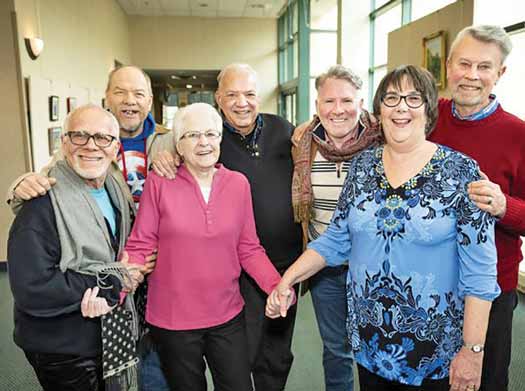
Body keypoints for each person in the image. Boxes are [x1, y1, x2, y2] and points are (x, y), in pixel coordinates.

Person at [267, 65, 500, 391]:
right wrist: (288, 279)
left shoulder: (461, 172)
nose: (401, 107)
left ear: (429, 109)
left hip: (433, 351)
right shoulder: (363, 166)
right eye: (392, 98)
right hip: (371, 343)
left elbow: (480, 274)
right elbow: (336, 237)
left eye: (413, 98)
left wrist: (473, 351)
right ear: (378, 111)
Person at [6, 65, 173, 390]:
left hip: (122, 310)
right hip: (64, 340)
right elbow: (32, 286)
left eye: (102, 139)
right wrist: (116, 277)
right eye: (79, 136)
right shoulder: (47, 197)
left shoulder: (119, 180)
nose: (90, 145)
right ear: (65, 142)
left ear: (114, 149)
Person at [153, 63, 303, 390]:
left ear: (259, 96)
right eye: (232, 95)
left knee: (277, 354)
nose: (242, 102)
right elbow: (174, 143)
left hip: (284, 264)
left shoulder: (284, 130)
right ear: (218, 99)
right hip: (236, 267)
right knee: (240, 354)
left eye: (249, 94)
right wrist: (161, 151)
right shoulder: (209, 137)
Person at [124, 102, 284, 391]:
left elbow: (248, 247)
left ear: (220, 140)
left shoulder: (238, 184)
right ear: (178, 146)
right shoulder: (160, 182)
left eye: (211, 134)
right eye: (193, 135)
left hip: (226, 313)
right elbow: (140, 243)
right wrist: (118, 285)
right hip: (173, 319)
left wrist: (276, 286)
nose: (204, 143)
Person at [428, 25, 525, 391]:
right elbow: (369, 125)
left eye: (484, 67)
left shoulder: (519, 134)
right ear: (448, 65)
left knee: (483, 382)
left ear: (500, 74)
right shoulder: (425, 119)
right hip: (429, 287)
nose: (471, 75)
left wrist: (503, 206)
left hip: (491, 291)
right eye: (463, 63)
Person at [291, 65, 381, 391]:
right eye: (329, 101)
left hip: (374, 270)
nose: (338, 109)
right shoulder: (304, 143)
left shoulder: (384, 142)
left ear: (361, 102)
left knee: (377, 348)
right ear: (317, 106)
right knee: (335, 349)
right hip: (324, 267)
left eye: (347, 100)